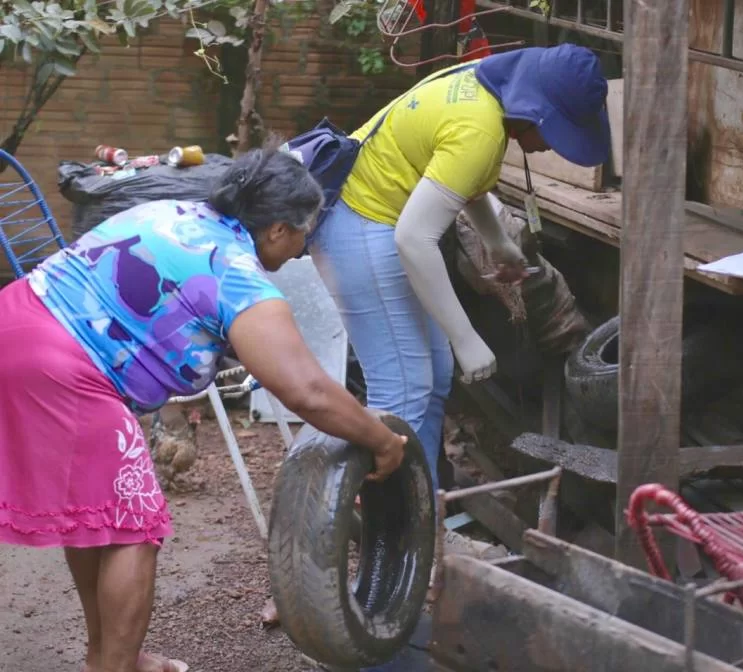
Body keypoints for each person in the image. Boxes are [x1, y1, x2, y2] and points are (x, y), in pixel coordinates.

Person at [0, 142, 409, 672]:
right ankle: (113, 666)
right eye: (303, 232)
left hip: (16, 323)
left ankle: (110, 655)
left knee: (98, 512)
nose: (303, 248)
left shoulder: (174, 212)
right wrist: (381, 439)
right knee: (134, 525)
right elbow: (306, 390)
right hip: (64, 368)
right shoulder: (235, 273)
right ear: (277, 229)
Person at [302, 42, 611, 671]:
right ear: (535, 111)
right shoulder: (481, 127)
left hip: (368, 219)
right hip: (363, 225)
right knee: (403, 399)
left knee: (430, 380)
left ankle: (411, 558)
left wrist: (500, 245)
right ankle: (377, 600)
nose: (551, 148)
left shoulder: (485, 88)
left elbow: (463, 187)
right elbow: (415, 238)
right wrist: (467, 336)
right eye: (555, 132)